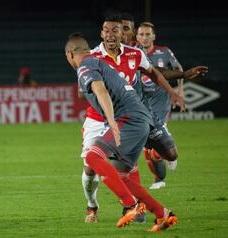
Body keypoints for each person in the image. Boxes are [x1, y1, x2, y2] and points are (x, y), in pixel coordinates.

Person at [66, 32, 178, 232]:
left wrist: (112, 123)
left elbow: (101, 91)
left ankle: (131, 206)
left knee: (93, 157)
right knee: (122, 176)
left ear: (69, 54)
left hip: (128, 118)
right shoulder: (98, 60)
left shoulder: (85, 64)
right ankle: (162, 214)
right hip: (141, 118)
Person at [136, 21, 183, 189]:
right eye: (141, 34)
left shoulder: (164, 52)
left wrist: (179, 91)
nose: (144, 37)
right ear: (137, 36)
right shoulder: (132, 53)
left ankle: (167, 162)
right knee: (147, 146)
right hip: (142, 104)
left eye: (148, 34)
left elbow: (178, 68)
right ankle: (160, 177)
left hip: (160, 103)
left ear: (153, 36)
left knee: (154, 140)